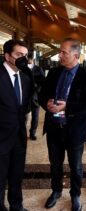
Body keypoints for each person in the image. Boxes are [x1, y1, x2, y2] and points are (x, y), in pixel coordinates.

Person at [39, 38, 86, 211]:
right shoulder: (54, 73)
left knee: (76, 167)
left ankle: (75, 195)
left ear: (76, 55)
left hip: (75, 131)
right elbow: (42, 96)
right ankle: (56, 191)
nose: (60, 55)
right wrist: (47, 105)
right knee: (55, 165)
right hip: (54, 129)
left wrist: (68, 107)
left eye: (64, 52)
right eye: (60, 51)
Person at [0, 40, 33, 211]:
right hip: (1, 138)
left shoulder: (25, 79)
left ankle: (16, 205)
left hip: (19, 138)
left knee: (16, 175)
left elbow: (25, 107)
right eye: (19, 55)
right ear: (7, 56)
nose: (24, 59)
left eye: (25, 55)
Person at [27, 55, 45, 140]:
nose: (28, 60)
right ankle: (21, 133)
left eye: (29, 59)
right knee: (23, 116)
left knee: (35, 117)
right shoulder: (22, 69)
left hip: (36, 97)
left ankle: (32, 133)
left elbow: (43, 83)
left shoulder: (38, 69)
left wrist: (37, 89)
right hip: (25, 97)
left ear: (32, 59)